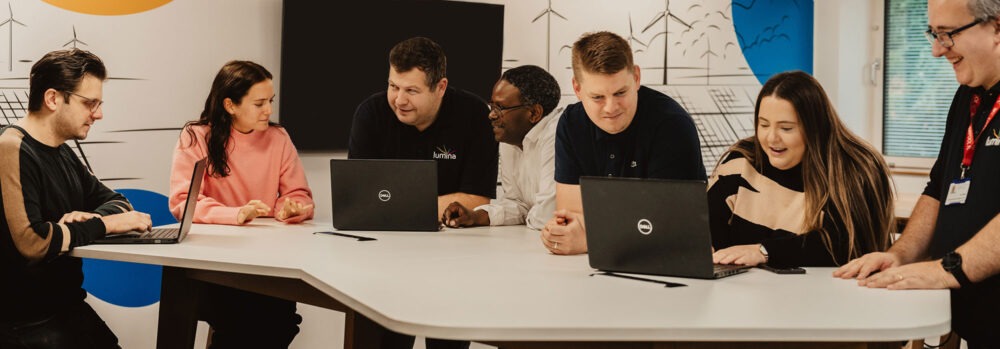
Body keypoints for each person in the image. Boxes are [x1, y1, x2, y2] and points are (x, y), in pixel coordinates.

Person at [834, 0, 1000, 346]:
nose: (937, 50)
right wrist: (900, 255)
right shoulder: (967, 97)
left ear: (997, 27)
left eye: (948, 34)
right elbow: (939, 188)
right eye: (933, 34)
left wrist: (945, 269)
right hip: (972, 321)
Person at [0, 49, 152, 349]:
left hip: (68, 310)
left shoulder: (62, 151)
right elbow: (33, 243)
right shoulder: (10, 148)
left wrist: (92, 219)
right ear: (53, 99)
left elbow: (118, 202)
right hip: (27, 323)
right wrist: (106, 225)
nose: (98, 114)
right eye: (89, 103)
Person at [168, 60, 311, 348]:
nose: (268, 110)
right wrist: (236, 214)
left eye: (270, 101)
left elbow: (299, 194)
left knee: (281, 322)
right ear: (230, 105)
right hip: (214, 262)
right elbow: (183, 202)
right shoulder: (196, 136)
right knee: (247, 321)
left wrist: (291, 209)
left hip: (266, 261)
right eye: (259, 103)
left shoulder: (278, 137)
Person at [708, 71, 895, 268]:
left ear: (815, 128)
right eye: (763, 125)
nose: (771, 138)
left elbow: (848, 246)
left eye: (786, 128)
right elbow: (705, 230)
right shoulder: (741, 161)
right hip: (743, 286)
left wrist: (764, 251)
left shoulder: (854, 168)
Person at [541, 31, 705, 255]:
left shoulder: (671, 124)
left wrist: (590, 241)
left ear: (636, 77)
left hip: (668, 262)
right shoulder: (571, 123)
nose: (611, 107)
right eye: (597, 97)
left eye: (620, 93)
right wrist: (565, 234)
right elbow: (572, 216)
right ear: (577, 89)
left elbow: (669, 226)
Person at [349, 36, 498, 220]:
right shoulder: (370, 114)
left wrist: (390, 206)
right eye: (393, 86)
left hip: (453, 233)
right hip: (383, 232)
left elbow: (477, 201)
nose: (399, 100)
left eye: (411, 91)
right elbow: (358, 198)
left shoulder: (475, 115)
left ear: (441, 87)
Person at [441, 65, 561, 230]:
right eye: (492, 106)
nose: (491, 114)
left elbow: (546, 216)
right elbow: (518, 204)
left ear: (534, 113)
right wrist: (475, 215)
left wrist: (529, 213)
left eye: (500, 108)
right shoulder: (511, 137)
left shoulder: (557, 135)